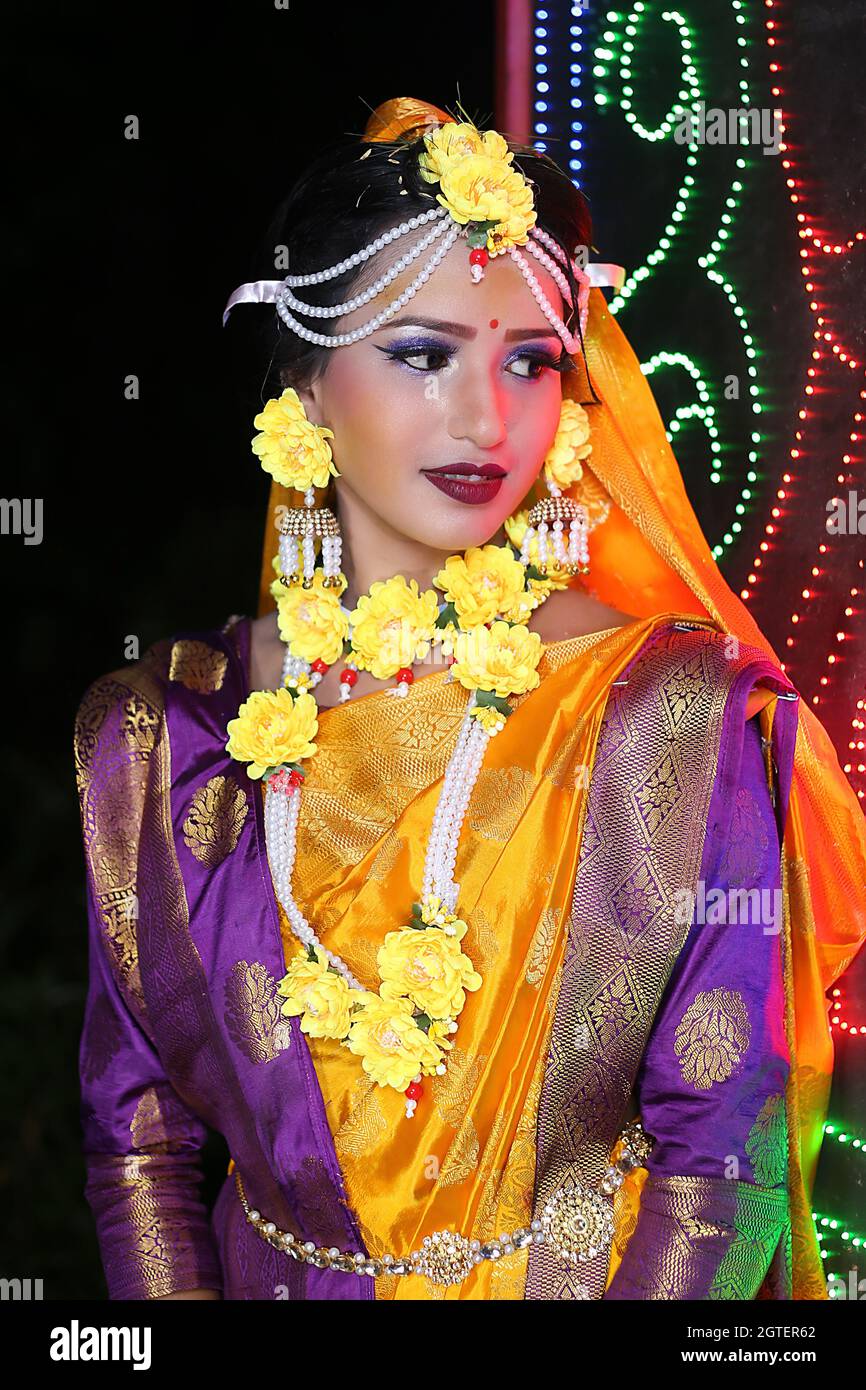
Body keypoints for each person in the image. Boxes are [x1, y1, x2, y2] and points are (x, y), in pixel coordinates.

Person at [74, 96, 866, 1301]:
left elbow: (724, 1154)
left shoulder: (664, 710)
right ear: (303, 379)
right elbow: (138, 1150)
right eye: (422, 353)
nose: (486, 419)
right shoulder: (163, 741)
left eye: (529, 361)